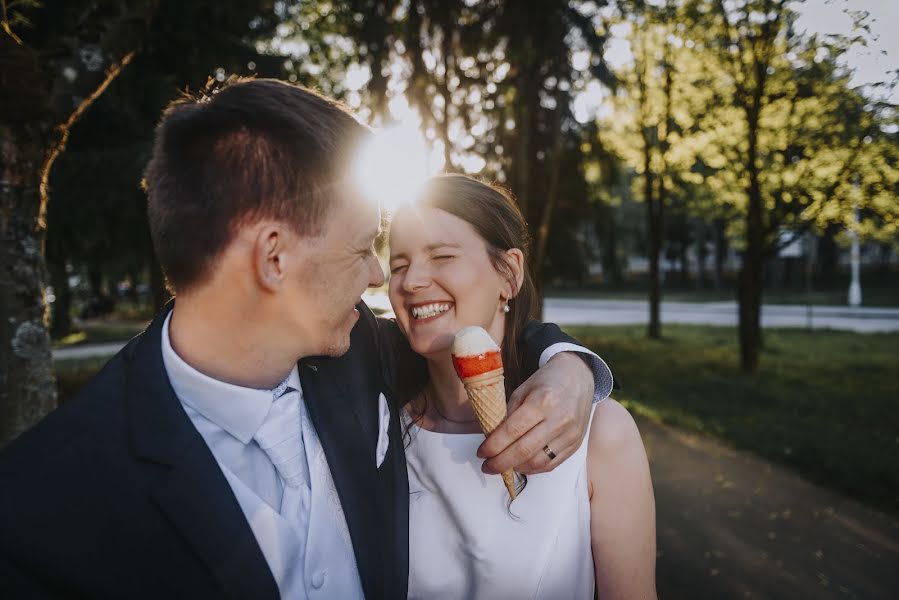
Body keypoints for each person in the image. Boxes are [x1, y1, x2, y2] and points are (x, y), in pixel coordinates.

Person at [0, 78, 610, 599]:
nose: (379, 276)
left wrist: (570, 365)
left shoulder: (363, 351)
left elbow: (483, 339)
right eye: (360, 249)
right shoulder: (43, 509)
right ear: (274, 259)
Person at [388, 174, 657, 599]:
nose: (411, 281)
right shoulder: (381, 426)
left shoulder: (601, 435)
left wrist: (573, 365)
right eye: (398, 264)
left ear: (509, 275)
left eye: (441, 256)